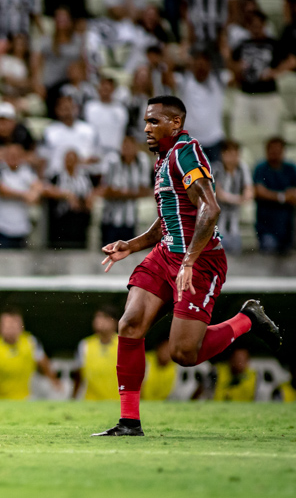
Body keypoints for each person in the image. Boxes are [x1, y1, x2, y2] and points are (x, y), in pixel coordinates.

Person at [95, 95, 283, 437]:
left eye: (154, 121)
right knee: (131, 323)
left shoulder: (186, 153)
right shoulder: (164, 158)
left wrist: (189, 262)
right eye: (145, 121)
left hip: (200, 262)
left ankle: (246, 320)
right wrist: (132, 245)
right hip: (167, 255)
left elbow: (210, 210)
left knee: (183, 352)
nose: (146, 128)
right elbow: (170, 217)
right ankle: (129, 422)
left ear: (175, 124)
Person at [230, 11, 296, 145]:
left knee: (271, 135)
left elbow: (292, 61)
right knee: (238, 134)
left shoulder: (273, 44)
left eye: (258, 26)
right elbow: (231, 63)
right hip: (246, 93)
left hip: (267, 94)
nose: (255, 29)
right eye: (252, 26)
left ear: (264, 25)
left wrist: (275, 72)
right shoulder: (243, 44)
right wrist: (238, 67)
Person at [0, 306, 60, 400]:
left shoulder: (31, 342)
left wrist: (54, 381)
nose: (11, 329)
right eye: (7, 325)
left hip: (24, 400)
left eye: (15, 324)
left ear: (22, 326)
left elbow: (44, 363)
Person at [0, 143, 41, 249]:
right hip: (0, 226)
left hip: (20, 227)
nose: (13, 158)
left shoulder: (26, 171)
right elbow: (2, 191)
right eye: (10, 155)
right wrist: (24, 194)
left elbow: (37, 188)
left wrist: (34, 194)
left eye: (16, 155)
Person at [174, 49, 225, 164]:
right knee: (189, 178)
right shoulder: (185, 80)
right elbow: (167, 80)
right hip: (189, 141)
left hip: (214, 140)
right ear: (193, 65)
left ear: (210, 66)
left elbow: (237, 77)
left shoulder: (218, 79)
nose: (201, 68)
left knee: (214, 178)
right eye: (198, 64)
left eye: (204, 65)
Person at [100, 136, 153, 245]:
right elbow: (107, 191)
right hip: (111, 217)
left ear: (135, 147)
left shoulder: (142, 161)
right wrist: (133, 192)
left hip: (133, 218)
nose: (127, 149)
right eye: (125, 145)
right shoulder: (112, 161)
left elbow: (144, 190)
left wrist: (121, 192)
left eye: (130, 145)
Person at [253, 137, 296, 254]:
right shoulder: (261, 168)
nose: (275, 154)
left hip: (287, 227)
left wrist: (272, 194)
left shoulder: (290, 169)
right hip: (266, 227)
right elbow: (260, 191)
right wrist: (283, 197)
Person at [45, 150, 94, 249]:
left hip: (80, 217)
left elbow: (91, 194)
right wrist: (67, 195)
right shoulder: (57, 177)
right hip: (62, 219)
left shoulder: (84, 177)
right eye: (68, 159)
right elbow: (47, 190)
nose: (70, 162)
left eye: (73, 160)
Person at [40, 95, 98, 178]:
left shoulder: (89, 130)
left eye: (70, 108)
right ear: (57, 110)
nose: (67, 111)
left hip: (84, 176)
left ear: (76, 109)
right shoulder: (50, 131)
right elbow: (43, 158)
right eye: (64, 108)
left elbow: (97, 156)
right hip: (57, 176)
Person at [72, 306, 120, 400]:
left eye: (104, 317)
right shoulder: (85, 345)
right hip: (90, 403)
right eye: (97, 317)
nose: (98, 320)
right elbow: (79, 376)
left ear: (115, 322)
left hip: (117, 403)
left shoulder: (124, 344)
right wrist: (73, 397)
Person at [214, 140, 253, 254]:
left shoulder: (242, 168)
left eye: (235, 154)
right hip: (218, 220)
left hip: (234, 220)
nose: (233, 158)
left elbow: (249, 191)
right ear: (223, 154)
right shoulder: (217, 169)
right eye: (229, 154)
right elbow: (220, 195)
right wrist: (240, 199)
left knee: (236, 248)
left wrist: (244, 196)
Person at [83, 76, 128, 158]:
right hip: (95, 152)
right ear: (98, 89)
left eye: (108, 89)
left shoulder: (120, 111)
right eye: (103, 88)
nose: (105, 91)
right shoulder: (90, 107)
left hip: (115, 151)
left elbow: (123, 132)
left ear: (113, 90)